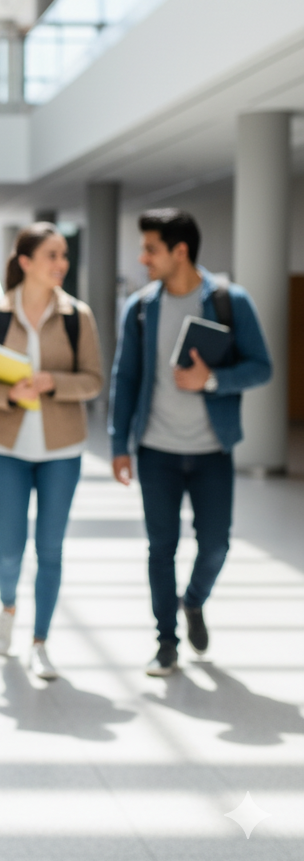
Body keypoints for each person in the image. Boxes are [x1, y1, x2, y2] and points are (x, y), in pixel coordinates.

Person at [110, 209, 271, 676]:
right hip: (156, 450)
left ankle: (193, 601)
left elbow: (261, 366)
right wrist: (120, 443)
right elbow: (126, 377)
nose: (143, 259)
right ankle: (166, 642)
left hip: (211, 452)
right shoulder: (140, 308)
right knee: (161, 548)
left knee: (216, 544)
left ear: (180, 251)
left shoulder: (229, 301)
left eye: (151, 249)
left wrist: (212, 380)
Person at [0, 224, 103, 679]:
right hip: (8, 446)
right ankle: (8, 607)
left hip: (62, 449)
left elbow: (93, 380)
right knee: (10, 549)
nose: (60, 263)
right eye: (52, 255)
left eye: (63, 255)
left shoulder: (76, 315)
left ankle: (40, 641)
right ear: (25, 261)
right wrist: (9, 392)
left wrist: (52, 383)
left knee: (51, 549)